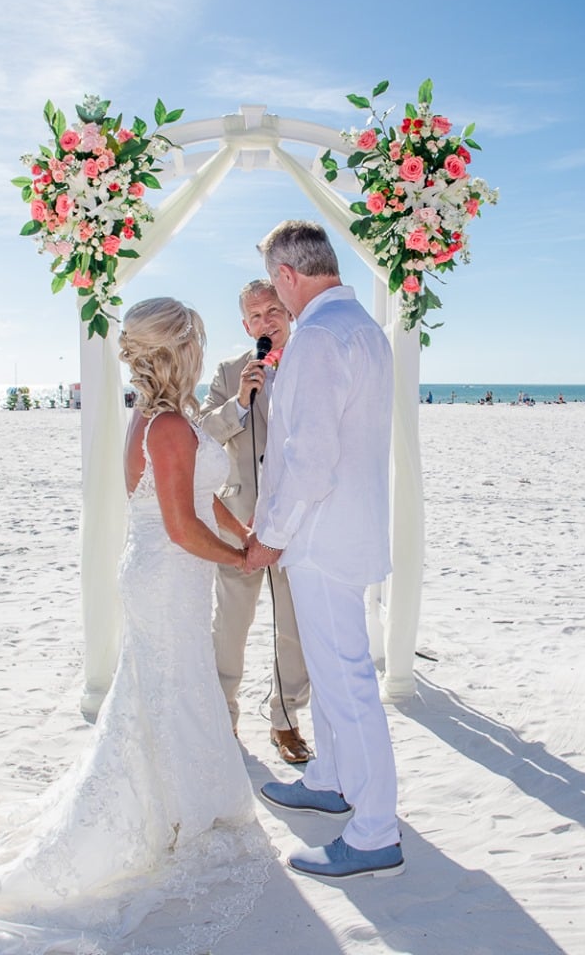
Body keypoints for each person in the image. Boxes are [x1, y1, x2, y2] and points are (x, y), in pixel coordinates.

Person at [0, 297, 271, 954]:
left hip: (169, 576)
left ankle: (183, 803)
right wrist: (242, 560)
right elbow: (181, 525)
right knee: (168, 694)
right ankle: (172, 813)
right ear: (180, 351)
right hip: (166, 577)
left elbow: (210, 500)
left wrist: (245, 535)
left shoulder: (171, 416)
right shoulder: (164, 424)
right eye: (196, 340)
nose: (202, 349)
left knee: (170, 693)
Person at [246, 220, 404, 880]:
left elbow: (308, 459)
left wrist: (267, 537)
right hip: (349, 529)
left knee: (345, 687)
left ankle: (373, 832)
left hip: (319, 537)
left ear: (287, 275)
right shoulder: (364, 327)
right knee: (337, 674)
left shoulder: (314, 336)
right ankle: (331, 780)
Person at [200, 279, 311, 763]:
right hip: (239, 520)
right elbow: (202, 436)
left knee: (294, 627)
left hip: (297, 521)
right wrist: (239, 402)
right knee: (231, 624)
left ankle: (285, 719)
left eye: (274, 311)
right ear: (246, 326)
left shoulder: (312, 363)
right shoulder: (228, 372)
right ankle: (222, 716)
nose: (267, 322)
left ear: (287, 312)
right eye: (256, 317)